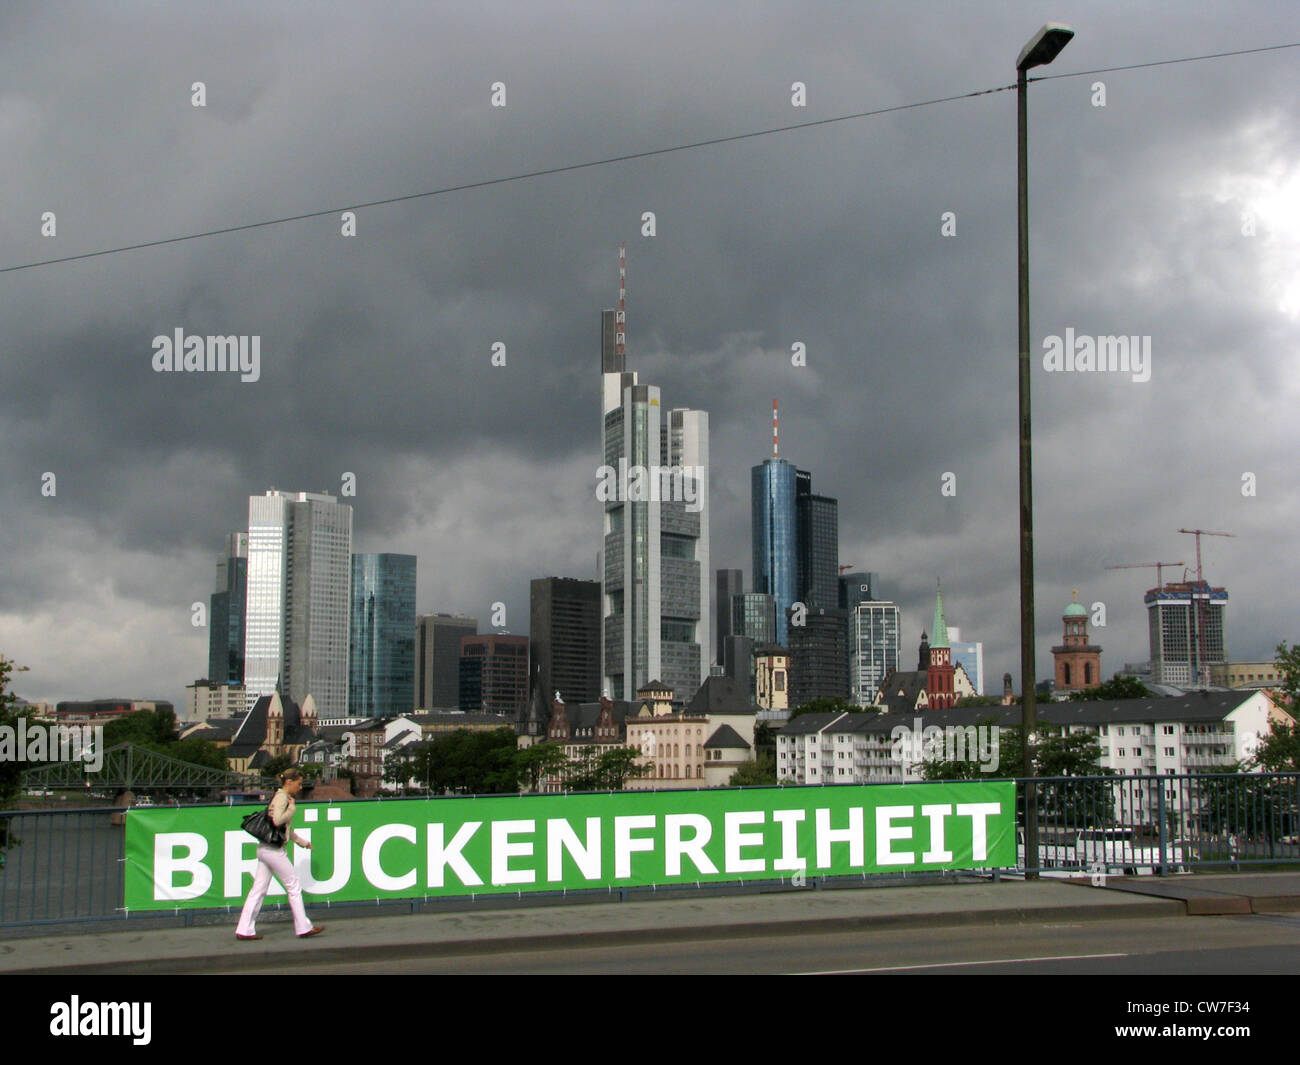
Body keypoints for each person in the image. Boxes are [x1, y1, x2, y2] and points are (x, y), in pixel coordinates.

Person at [236, 768, 324, 940]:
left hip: (264, 848)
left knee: (258, 890)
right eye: (298, 784)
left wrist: (302, 843)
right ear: (289, 782)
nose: (300, 788)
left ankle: (244, 929)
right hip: (274, 851)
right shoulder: (282, 798)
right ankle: (303, 927)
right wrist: (292, 810)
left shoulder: (279, 796)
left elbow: (283, 828)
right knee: (294, 886)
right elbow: (277, 820)